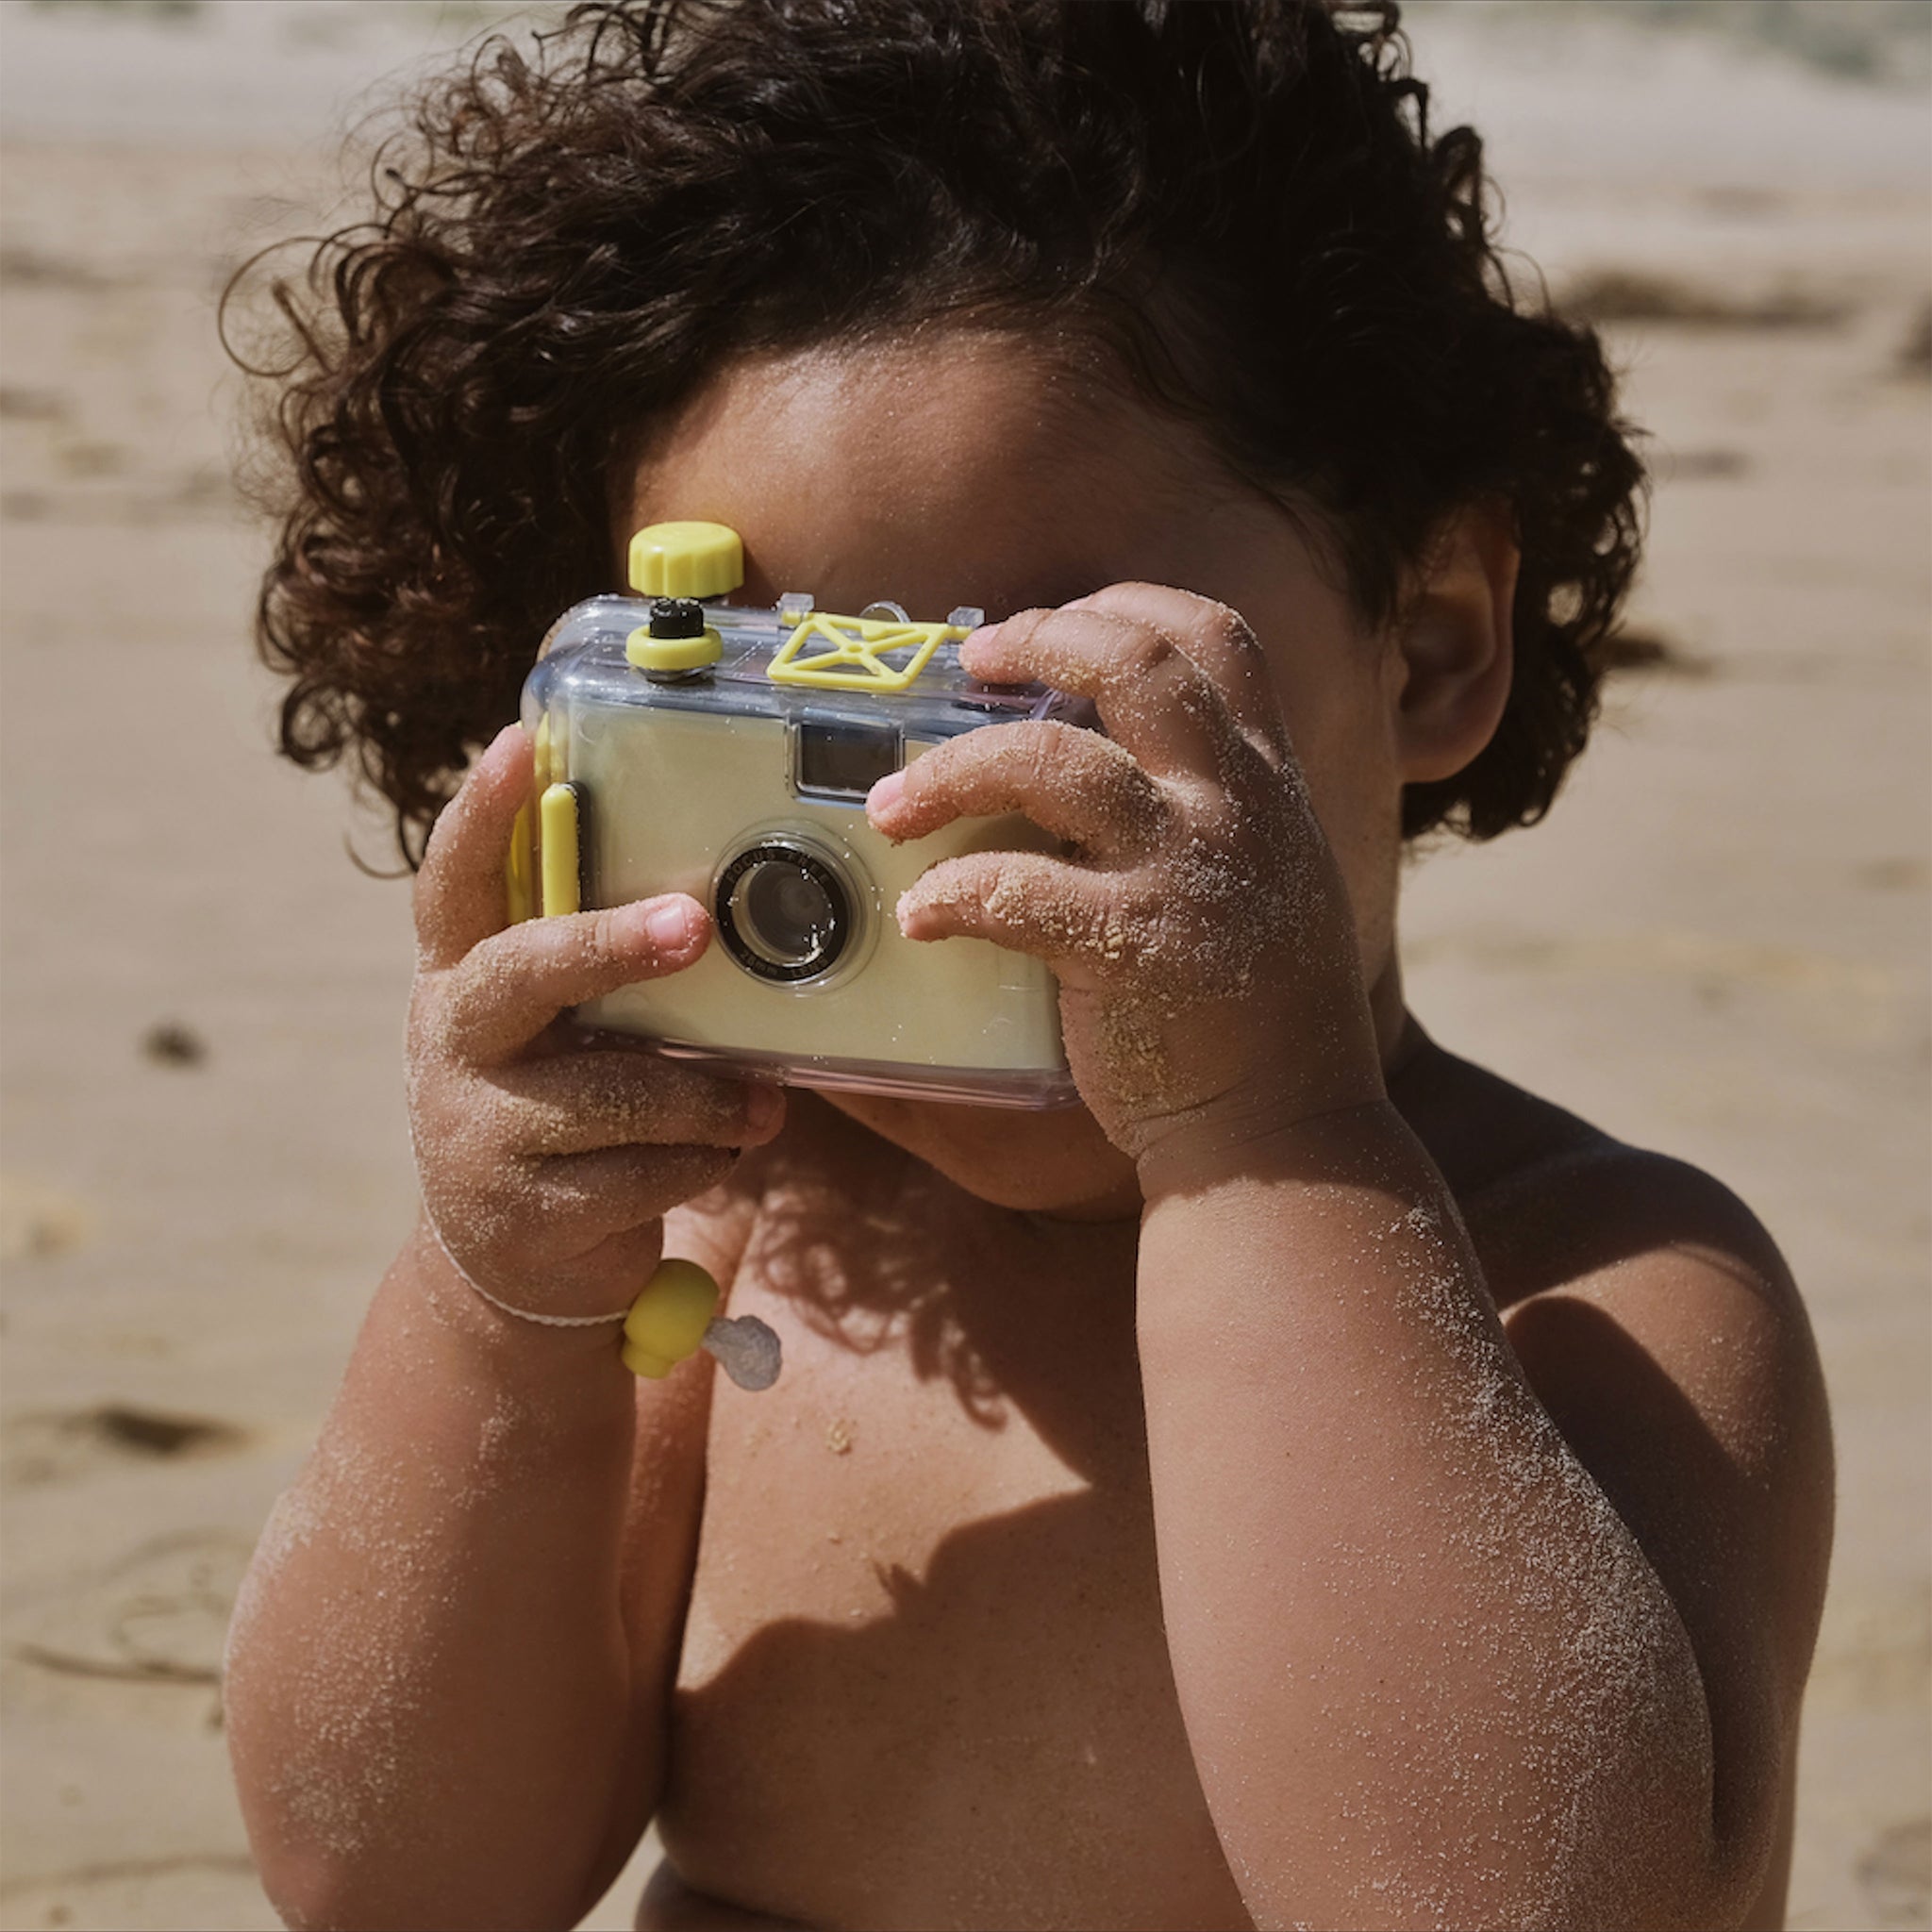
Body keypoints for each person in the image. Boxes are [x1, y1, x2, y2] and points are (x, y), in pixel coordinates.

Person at [220, 3, 1834, 1927]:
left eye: (1037, 693)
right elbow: (389, 1874)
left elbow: (1515, 1902)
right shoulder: (721, 1256)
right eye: (785, 728)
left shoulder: (1604, 1286)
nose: (927, 832)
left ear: (1428, 642)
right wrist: (499, 1305)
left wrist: (1261, 1142)